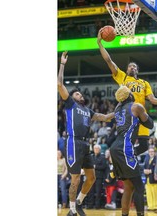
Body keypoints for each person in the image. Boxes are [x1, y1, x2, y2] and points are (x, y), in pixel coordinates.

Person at [97, 30, 157, 155]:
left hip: (140, 114)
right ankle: (122, 159)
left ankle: (129, 156)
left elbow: (153, 99)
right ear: (126, 70)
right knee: (126, 141)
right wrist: (100, 43)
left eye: (134, 67)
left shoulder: (144, 83)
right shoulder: (123, 77)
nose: (132, 67)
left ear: (137, 70)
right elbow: (108, 60)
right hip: (127, 114)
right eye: (130, 66)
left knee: (143, 146)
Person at [58, 51, 115, 216]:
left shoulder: (87, 110)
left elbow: (104, 116)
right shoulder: (70, 104)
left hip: (84, 143)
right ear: (72, 96)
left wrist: (121, 109)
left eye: (80, 94)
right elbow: (60, 85)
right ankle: (72, 209)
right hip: (73, 142)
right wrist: (62, 64)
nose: (80, 95)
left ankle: (79, 202)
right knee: (75, 177)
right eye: (77, 93)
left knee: (91, 177)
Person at [109, 85, 154, 216]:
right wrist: (142, 116)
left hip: (115, 147)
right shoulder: (136, 106)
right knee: (139, 187)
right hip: (124, 147)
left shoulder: (117, 109)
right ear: (129, 95)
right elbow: (150, 124)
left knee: (129, 187)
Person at [87, 144, 107, 209]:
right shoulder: (91, 156)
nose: (96, 150)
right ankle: (90, 205)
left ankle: (97, 206)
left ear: (100, 150)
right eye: (95, 148)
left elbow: (104, 166)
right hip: (91, 177)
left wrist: (96, 167)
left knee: (98, 192)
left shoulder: (102, 157)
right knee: (90, 192)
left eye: (97, 149)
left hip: (99, 177)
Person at [143, 147, 157, 211]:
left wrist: (151, 171)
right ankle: (150, 206)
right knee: (148, 193)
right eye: (150, 152)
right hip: (147, 179)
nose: (151, 153)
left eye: (152, 151)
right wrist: (144, 171)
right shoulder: (146, 159)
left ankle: (155, 206)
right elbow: (144, 167)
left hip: (154, 179)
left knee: (155, 193)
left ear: (154, 152)